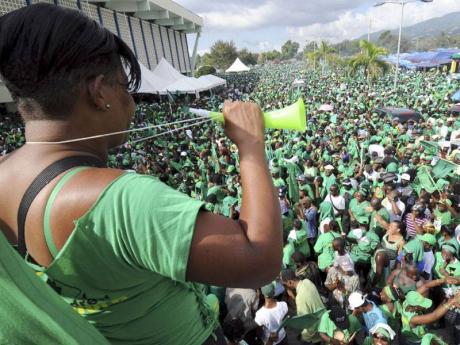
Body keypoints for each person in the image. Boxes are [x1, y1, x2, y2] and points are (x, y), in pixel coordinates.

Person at [0, 5, 283, 344]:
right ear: (100, 91)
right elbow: (259, 260)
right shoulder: (123, 200)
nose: (131, 103)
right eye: (125, 86)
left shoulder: (4, 175)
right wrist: (251, 145)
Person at [281, 269, 325, 344]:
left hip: (315, 334)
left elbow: (305, 323)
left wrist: (305, 337)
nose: (285, 287)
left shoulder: (300, 298)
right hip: (323, 321)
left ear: (290, 282)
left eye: (285, 285)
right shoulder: (307, 281)